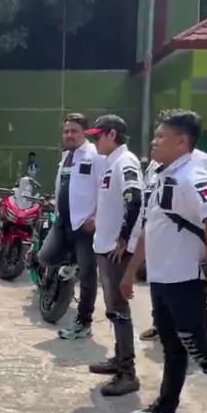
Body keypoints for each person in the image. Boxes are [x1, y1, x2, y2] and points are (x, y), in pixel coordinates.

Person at [121, 109, 207, 413]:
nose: (154, 141)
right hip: (162, 279)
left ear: (181, 141)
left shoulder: (194, 176)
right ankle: (166, 411)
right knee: (172, 348)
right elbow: (151, 226)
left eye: (161, 136)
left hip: (185, 280)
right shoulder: (162, 174)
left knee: (201, 350)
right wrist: (131, 272)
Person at [86, 115, 143, 395]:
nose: (95, 141)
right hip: (105, 247)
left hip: (116, 250)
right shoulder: (111, 162)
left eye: (98, 136)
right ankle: (119, 360)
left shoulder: (125, 162)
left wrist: (123, 237)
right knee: (113, 310)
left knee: (119, 311)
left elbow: (134, 198)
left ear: (111, 134)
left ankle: (128, 374)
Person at [139, 144, 207, 343]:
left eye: (162, 136)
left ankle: (200, 337)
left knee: (192, 313)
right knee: (162, 301)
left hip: (184, 247)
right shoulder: (157, 164)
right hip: (159, 244)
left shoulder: (199, 161)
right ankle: (160, 326)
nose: (155, 142)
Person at [38, 113, 103, 340]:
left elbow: (105, 189)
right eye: (66, 131)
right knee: (45, 257)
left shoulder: (95, 156)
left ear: (85, 132)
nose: (69, 135)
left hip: (84, 226)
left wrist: (96, 217)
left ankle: (84, 322)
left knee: (87, 276)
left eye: (74, 131)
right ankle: (71, 262)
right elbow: (67, 186)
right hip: (63, 221)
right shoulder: (66, 156)